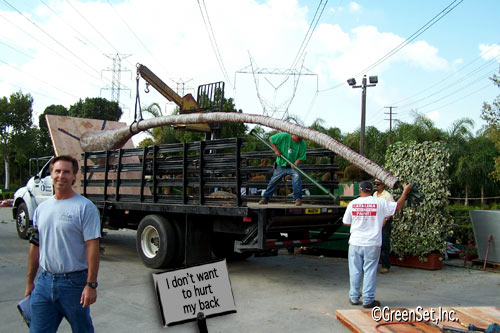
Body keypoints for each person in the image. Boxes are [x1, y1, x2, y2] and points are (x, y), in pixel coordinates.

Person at [25, 155, 101, 332]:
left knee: (82, 329)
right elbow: (35, 246)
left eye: (66, 172)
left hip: (74, 284)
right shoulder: (42, 209)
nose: (61, 176)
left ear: (74, 175)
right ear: (51, 174)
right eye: (57, 171)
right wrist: (30, 281)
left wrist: (91, 285)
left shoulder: (84, 207)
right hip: (44, 282)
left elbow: (92, 247)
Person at [343, 180, 411, 308]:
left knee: (355, 270)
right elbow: (397, 206)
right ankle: (368, 300)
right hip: (372, 243)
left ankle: (354, 297)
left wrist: (359, 220)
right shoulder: (379, 203)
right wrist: (405, 192)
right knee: (369, 271)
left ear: (360, 190)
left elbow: (346, 222)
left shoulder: (353, 203)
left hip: (355, 242)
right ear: (371, 190)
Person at [258, 132, 307, 206]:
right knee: (273, 181)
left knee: (297, 177)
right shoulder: (284, 136)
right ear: (294, 134)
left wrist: (296, 163)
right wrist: (276, 150)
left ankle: (298, 199)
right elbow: (271, 139)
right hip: (280, 165)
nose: (300, 139)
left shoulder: (302, 143)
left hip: (291, 166)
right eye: (299, 137)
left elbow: (301, 156)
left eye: (301, 138)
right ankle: (265, 198)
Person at [373, 179, 394, 274]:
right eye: (375, 184)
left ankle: (385, 265)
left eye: (378, 184)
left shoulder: (387, 196)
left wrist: (385, 219)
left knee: (384, 244)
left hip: (385, 222)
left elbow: (392, 209)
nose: (376, 186)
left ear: (383, 185)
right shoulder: (374, 195)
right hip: (376, 222)